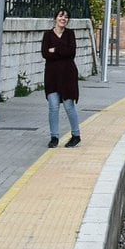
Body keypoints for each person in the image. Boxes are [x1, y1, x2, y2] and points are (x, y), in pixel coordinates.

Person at [41, 9, 81, 148]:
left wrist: (55, 50)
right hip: (52, 76)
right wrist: (61, 50)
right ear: (55, 18)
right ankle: (54, 137)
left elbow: (71, 52)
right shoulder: (47, 35)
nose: (63, 19)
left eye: (66, 17)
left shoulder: (70, 34)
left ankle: (76, 135)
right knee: (53, 107)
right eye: (61, 16)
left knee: (69, 106)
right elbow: (45, 53)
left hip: (68, 76)